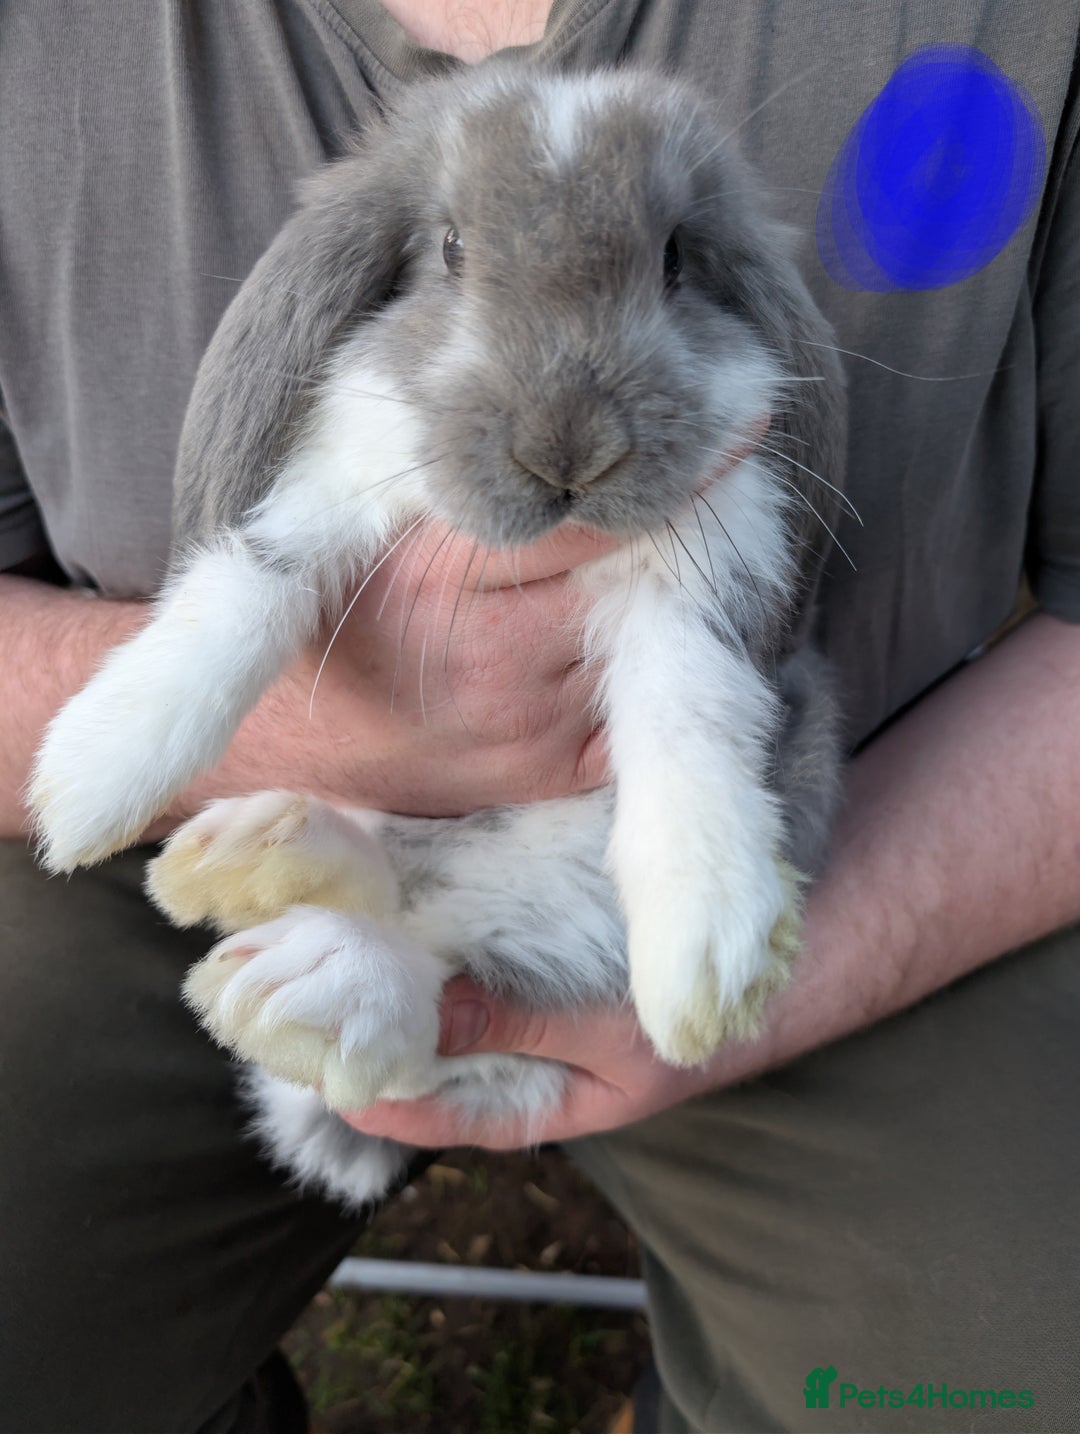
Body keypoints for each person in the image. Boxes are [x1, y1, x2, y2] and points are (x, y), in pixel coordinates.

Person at [1, 2, 1078, 1430]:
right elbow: (260, 553)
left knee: (986, 1384)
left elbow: (715, 673)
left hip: (870, 850)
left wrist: (796, 950)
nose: (570, 426)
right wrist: (255, 721)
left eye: (678, 270)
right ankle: (368, 954)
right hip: (189, 840)